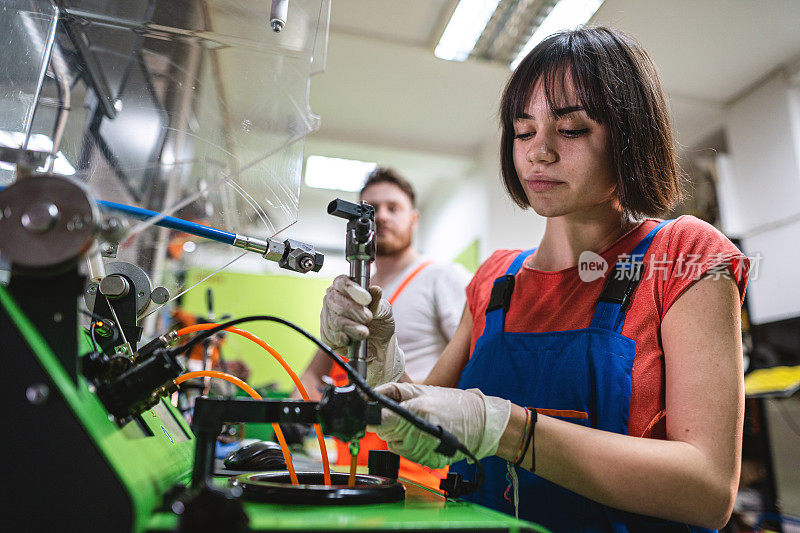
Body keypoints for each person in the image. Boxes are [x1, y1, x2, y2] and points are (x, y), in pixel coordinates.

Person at [320, 27, 749, 532]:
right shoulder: (494, 280)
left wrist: (510, 432)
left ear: (630, 136)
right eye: (524, 131)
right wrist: (379, 364)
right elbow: (427, 441)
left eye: (571, 130)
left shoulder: (683, 256)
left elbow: (707, 491)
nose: (538, 153)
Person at [297, 167, 471, 473]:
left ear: (414, 219)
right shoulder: (355, 288)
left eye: (394, 208)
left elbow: (471, 360)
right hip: (356, 458)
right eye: (371, 209)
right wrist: (302, 423)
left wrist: (412, 408)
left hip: (418, 455)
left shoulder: (441, 276)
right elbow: (312, 374)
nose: (381, 217)